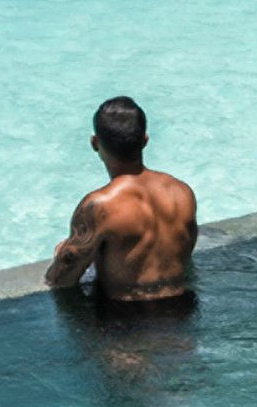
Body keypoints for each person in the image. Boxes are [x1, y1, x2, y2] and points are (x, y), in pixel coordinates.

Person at [44, 96, 198, 304]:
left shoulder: (98, 207)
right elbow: (185, 256)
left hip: (127, 323)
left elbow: (61, 280)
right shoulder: (181, 192)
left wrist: (63, 254)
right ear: (144, 140)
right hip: (184, 313)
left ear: (95, 143)